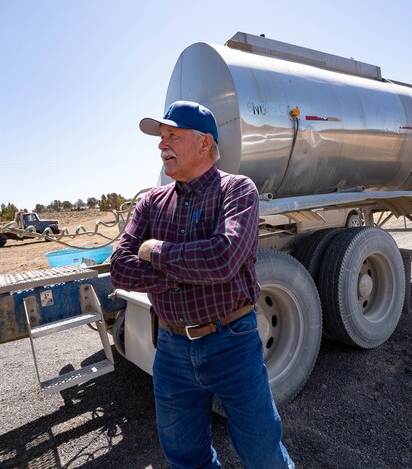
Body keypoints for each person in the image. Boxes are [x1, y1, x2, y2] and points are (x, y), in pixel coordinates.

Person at [110, 101, 294, 469]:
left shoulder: (237, 191)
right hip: (173, 348)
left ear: (205, 143)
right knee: (185, 457)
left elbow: (223, 259)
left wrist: (156, 250)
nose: (162, 145)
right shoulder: (151, 202)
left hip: (232, 343)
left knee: (262, 455)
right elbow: (119, 269)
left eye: (172, 136)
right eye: (161, 138)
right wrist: (190, 273)